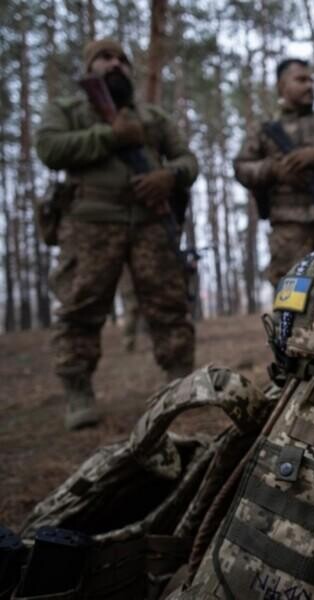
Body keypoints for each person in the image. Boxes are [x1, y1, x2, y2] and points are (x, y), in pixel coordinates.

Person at [36, 39, 198, 430]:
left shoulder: (153, 117)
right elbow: (49, 148)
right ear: (89, 67)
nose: (116, 65)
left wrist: (168, 176)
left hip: (150, 224)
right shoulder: (68, 111)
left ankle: (178, 385)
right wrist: (110, 137)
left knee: (168, 304)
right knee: (80, 307)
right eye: (105, 58)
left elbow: (188, 159)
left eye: (123, 60)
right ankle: (78, 392)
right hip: (90, 222)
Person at [233, 58, 314, 286]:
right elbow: (242, 168)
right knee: (292, 308)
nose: (309, 86)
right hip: (288, 235)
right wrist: (274, 170)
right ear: (282, 86)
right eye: (301, 80)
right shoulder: (265, 130)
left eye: (311, 80)